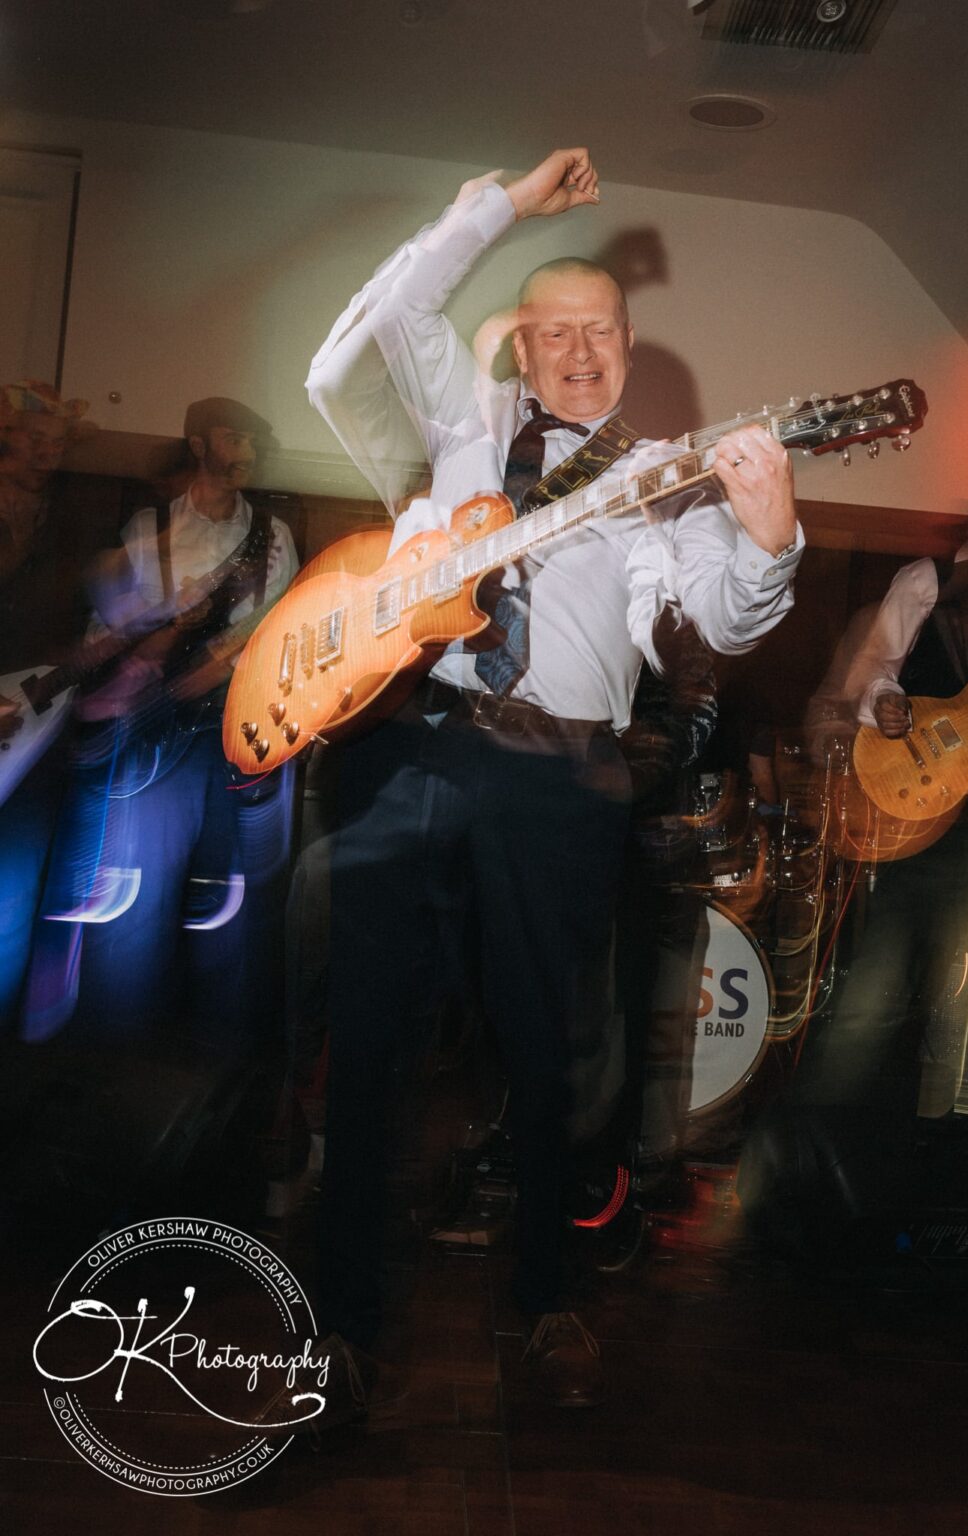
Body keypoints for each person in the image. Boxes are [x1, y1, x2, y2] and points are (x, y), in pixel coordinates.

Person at [300, 147, 802, 1412]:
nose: (579, 352)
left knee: (554, 1058)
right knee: (366, 1048)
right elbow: (403, 308)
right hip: (409, 748)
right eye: (554, 331)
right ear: (522, 349)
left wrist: (770, 532)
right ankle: (343, 1324)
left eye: (601, 333)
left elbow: (716, 617)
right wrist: (502, 206)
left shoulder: (657, 480)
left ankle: (545, 1301)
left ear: (628, 348)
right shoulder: (460, 432)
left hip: (555, 779)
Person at [26, 398, 300, 1047]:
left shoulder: (274, 534)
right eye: (236, 437)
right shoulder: (150, 529)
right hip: (155, 735)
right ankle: (118, 1042)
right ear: (200, 444)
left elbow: (284, 627)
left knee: (232, 894)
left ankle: (219, 1049)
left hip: (236, 729)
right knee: (133, 896)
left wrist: (227, 656)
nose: (248, 452)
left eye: (253, 441)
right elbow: (106, 631)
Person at [794, 455, 968, 1117]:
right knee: (880, 980)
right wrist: (885, 702)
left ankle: (953, 1129)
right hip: (918, 807)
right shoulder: (928, 581)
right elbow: (868, 673)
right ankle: (826, 1123)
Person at [0, 381, 93, 1027]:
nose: (47, 453)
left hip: (39, 723)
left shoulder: (72, 516)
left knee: (14, 890)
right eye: (36, 439)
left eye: (57, 443)